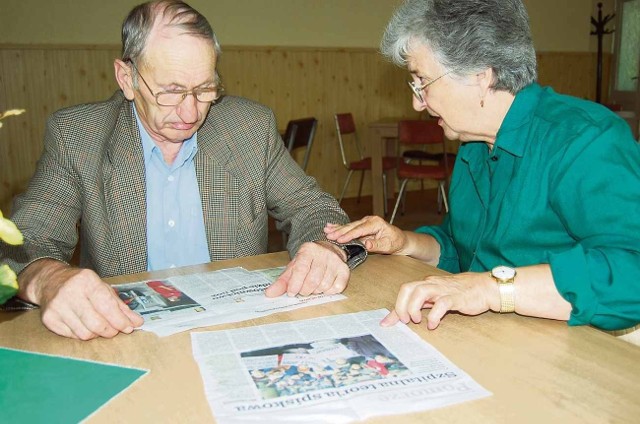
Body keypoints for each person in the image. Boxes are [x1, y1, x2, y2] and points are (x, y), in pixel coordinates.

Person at [0, 0, 366, 340]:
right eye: (171, 92)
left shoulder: (247, 128)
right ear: (126, 78)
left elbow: (312, 206)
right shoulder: (78, 136)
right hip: (126, 334)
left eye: (205, 89)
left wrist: (322, 246)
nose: (190, 114)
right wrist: (50, 279)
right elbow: (27, 239)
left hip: (235, 327)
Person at [325, 0, 640, 344]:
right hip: (494, 340)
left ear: (481, 76)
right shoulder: (474, 144)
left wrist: (491, 289)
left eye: (422, 82)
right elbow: (464, 247)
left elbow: (631, 273)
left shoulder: (584, 139)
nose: (418, 102)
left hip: (573, 351)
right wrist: (405, 242)